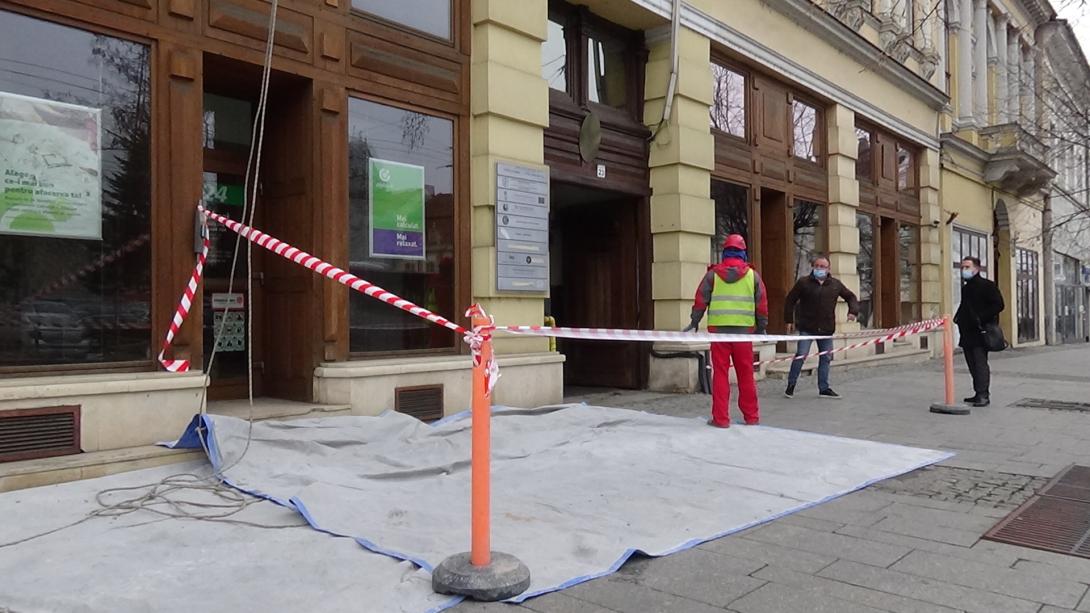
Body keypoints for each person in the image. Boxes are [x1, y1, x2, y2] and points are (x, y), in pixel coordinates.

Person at [684, 234, 768, 428]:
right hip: (743, 333)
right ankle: (751, 417)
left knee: (720, 374)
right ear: (743, 253)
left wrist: (694, 321)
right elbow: (762, 304)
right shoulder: (752, 276)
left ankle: (721, 419)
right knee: (746, 374)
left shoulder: (712, 275)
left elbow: (700, 299)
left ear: (725, 253)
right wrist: (762, 327)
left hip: (719, 333)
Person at [782, 254, 860, 400]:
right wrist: (789, 320)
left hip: (826, 329)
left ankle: (824, 388)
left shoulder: (835, 284)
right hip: (807, 327)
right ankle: (791, 386)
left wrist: (853, 311)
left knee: (826, 358)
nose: (819, 269)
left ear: (828, 269)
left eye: (822, 266)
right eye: (817, 266)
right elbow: (790, 300)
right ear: (813, 267)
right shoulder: (803, 282)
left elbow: (850, 297)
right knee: (801, 355)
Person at [953, 256, 1004, 407]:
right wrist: (958, 318)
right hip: (967, 331)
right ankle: (977, 392)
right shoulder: (966, 287)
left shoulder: (987, 285)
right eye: (962, 267)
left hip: (981, 331)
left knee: (980, 363)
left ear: (976, 268)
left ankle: (983, 395)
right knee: (971, 363)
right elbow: (965, 305)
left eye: (967, 267)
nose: (964, 270)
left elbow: (999, 305)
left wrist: (981, 318)